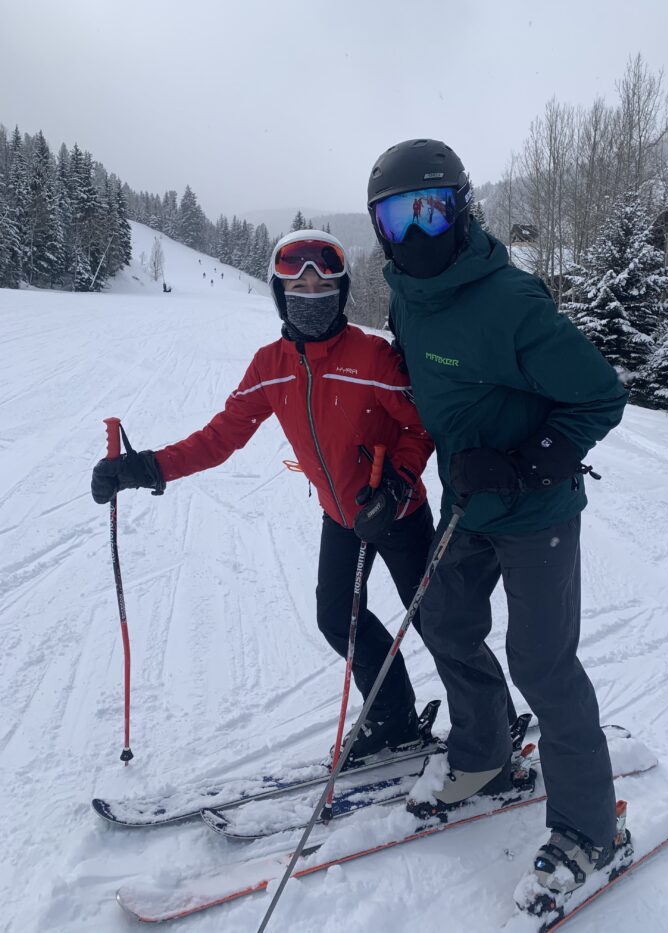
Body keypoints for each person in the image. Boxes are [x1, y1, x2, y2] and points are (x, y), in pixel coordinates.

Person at [366, 139, 631, 913]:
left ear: (461, 208)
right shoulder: (407, 301)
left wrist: (523, 462)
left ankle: (591, 830)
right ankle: (484, 756)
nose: (417, 233)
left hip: (536, 509)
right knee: (445, 620)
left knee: (542, 664)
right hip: (467, 506)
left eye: (430, 211)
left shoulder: (511, 301)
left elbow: (601, 396)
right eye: (397, 218)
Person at [91, 230, 440, 761]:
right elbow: (220, 437)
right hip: (341, 517)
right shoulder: (270, 366)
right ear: (280, 294)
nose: (310, 297)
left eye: (323, 289)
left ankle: (491, 724)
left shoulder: (372, 358)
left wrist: (396, 482)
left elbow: (421, 426)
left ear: (342, 293)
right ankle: (394, 720)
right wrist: (145, 467)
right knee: (338, 619)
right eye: (297, 289)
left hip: (397, 512)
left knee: (437, 621)